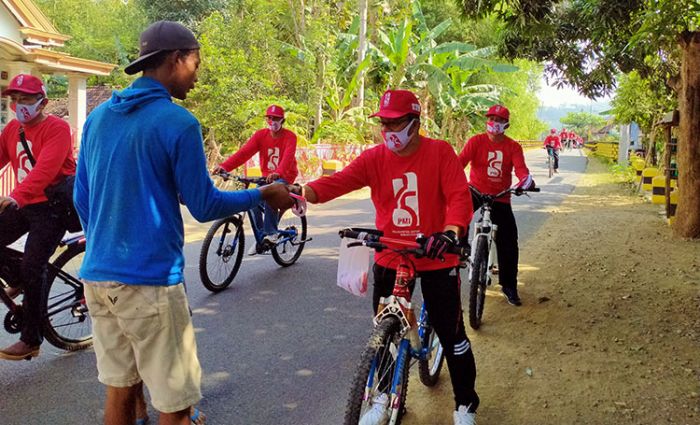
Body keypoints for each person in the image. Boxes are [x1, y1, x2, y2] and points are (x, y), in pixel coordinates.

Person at [74, 21, 291, 425]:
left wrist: (108, 241)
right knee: (176, 406)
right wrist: (262, 194)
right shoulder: (178, 123)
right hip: (150, 282)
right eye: (196, 63)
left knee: (119, 391)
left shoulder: (99, 118)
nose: (197, 74)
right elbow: (205, 205)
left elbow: (81, 198)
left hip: (97, 278)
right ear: (176, 59)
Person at [294, 89, 480, 425]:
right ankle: (382, 397)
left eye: (396, 123)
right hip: (391, 255)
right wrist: (304, 191)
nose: (388, 130)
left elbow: (458, 198)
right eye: (384, 123)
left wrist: (451, 231)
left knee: (452, 335)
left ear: (415, 123)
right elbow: (339, 181)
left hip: (436, 254)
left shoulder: (440, 152)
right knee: (383, 332)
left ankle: (465, 404)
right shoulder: (374, 157)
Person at [0, 74, 75, 360]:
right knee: (24, 267)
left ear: (42, 102)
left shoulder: (57, 129)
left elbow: (44, 171)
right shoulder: (11, 130)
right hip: (24, 204)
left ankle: (31, 339)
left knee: (34, 266)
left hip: (52, 208)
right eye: (15, 99)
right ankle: (17, 275)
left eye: (26, 99)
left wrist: (15, 196)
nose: (19, 105)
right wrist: (18, 199)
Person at [458, 105, 536, 307]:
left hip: (501, 197)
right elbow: (460, 163)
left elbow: (521, 170)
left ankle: (509, 286)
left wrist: (525, 181)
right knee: (457, 214)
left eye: (499, 120)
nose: (494, 123)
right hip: (475, 191)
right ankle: (460, 249)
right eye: (491, 118)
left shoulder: (513, 147)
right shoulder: (476, 141)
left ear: (506, 125)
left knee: (509, 241)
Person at [214, 104, 298, 255]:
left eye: (276, 119)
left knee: (271, 193)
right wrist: (225, 167)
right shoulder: (260, 135)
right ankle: (262, 236)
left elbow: (287, 159)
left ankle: (271, 233)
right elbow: (244, 153)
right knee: (252, 198)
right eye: (270, 118)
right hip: (266, 177)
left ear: (282, 120)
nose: (273, 122)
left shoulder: (290, 137)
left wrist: (278, 173)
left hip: (285, 176)